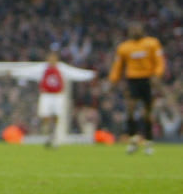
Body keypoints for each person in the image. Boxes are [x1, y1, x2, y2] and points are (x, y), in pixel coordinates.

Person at [12, 47, 95, 148]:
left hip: (58, 96)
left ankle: (53, 134)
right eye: (50, 57)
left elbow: (75, 73)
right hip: (46, 95)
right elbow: (29, 72)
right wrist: (14, 72)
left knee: (56, 115)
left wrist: (90, 75)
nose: (52, 60)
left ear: (57, 58)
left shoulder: (61, 68)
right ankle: (47, 132)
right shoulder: (43, 68)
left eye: (54, 58)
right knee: (45, 115)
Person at [109, 21, 166, 155]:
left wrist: (157, 75)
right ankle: (133, 140)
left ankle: (149, 141)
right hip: (133, 80)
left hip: (147, 79)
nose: (135, 31)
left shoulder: (152, 43)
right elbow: (118, 66)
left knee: (147, 113)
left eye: (137, 29)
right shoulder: (124, 47)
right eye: (132, 29)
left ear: (142, 30)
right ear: (129, 32)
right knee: (130, 108)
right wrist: (113, 81)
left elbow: (159, 61)